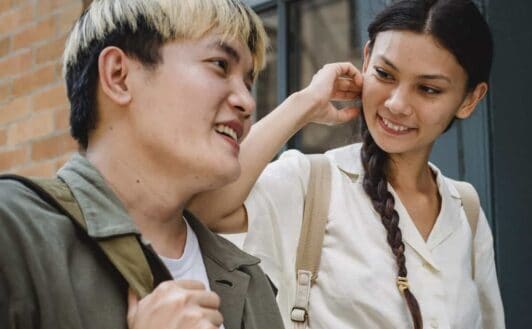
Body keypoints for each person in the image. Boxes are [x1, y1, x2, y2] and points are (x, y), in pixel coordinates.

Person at [0, 0, 335, 328]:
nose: (247, 102)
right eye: (219, 65)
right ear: (118, 75)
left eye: (248, 82)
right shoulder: (14, 231)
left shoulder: (248, 279)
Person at [190, 0, 505, 328]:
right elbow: (206, 207)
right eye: (384, 74)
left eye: (428, 89)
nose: (396, 104)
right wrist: (304, 103)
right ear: (366, 59)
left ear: (470, 99)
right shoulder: (311, 184)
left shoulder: (466, 211)